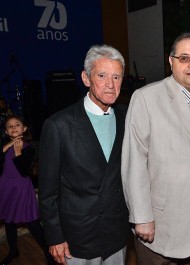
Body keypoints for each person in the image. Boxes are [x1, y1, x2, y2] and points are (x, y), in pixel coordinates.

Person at [121, 32, 190, 265]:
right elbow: (134, 162)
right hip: (162, 226)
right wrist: (142, 217)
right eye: (184, 58)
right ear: (170, 61)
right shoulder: (146, 98)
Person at [38, 44, 130, 265]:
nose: (110, 85)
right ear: (86, 78)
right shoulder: (59, 125)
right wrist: (55, 237)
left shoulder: (126, 117)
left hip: (117, 234)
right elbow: (48, 192)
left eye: (117, 77)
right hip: (77, 238)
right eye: (102, 75)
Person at [0, 115, 55, 265]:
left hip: (21, 188)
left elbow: (24, 171)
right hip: (6, 187)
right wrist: (7, 147)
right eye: (9, 126)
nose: (13, 128)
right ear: (6, 131)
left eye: (17, 124)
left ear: (23, 128)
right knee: (9, 222)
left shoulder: (29, 147)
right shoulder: (3, 146)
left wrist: (17, 152)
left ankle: (48, 252)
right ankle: (13, 251)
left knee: (33, 223)